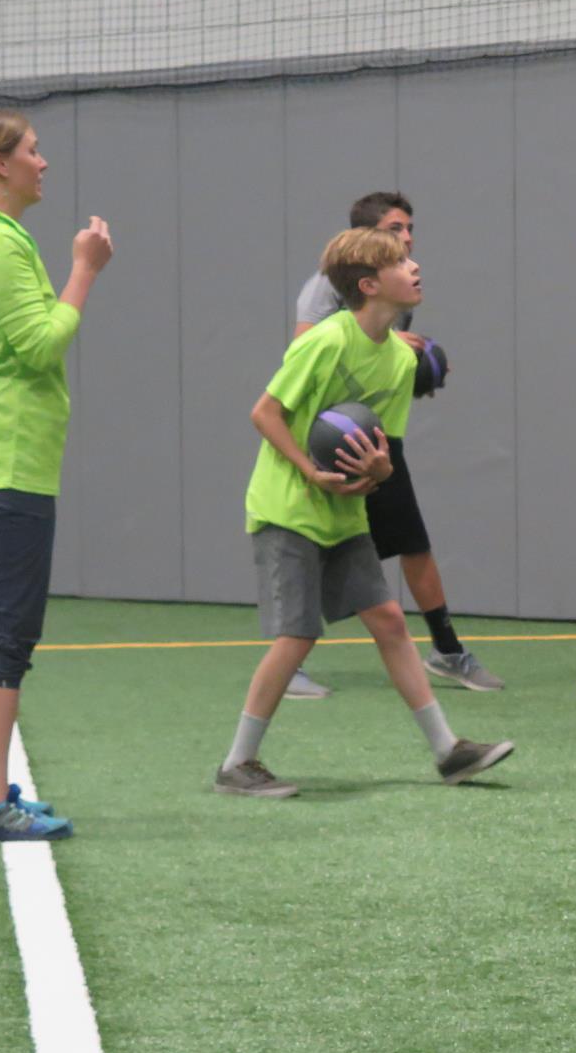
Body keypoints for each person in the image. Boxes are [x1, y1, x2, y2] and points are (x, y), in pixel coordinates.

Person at [214, 226, 514, 797]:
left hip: (346, 513)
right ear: (370, 284)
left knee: (391, 622)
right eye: (402, 261)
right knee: (298, 636)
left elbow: (385, 450)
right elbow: (265, 413)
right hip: (289, 508)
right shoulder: (325, 342)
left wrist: (377, 474)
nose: (416, 266)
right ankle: (237, 764)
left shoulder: (401, 363)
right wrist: (309, 469)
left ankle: (448, 751)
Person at [0, 110, 113, 841]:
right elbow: (40, 345)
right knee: (6, 638)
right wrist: (84, 271)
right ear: (0, 164)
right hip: (3, 465)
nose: (44, 163)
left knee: (1, 635)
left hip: (2, 461)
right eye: (33, 152)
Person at [283, 191, 502, 697]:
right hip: (335, 436)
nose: (408, 237)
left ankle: (447, 650)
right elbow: (301, 346)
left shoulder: (400, 284)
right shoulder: (325, 287)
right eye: (397, 228)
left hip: (380, 435)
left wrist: (415, 363)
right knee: (324, 548)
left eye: (409, 229)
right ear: (371, 238)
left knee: (412, 543)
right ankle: (290, 659)